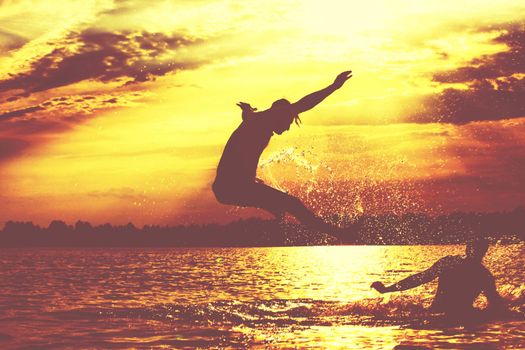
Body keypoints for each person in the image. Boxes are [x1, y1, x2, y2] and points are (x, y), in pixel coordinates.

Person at [212, 71, 353, 239]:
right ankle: (341, 235)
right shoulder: (265, 120)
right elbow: (305, 103)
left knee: (282, 202)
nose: (288, 127)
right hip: (233, 187)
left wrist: (247, 109)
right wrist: (333, 87)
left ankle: (276, 213)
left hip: (228, 188)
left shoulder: (258, 120)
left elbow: (248, 115)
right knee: (293, 204)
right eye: (289, 121)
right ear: (281, 114)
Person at [371, 237, 507, 320]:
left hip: (465, 316)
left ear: (484, 252)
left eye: (479, 251)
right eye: (473, 249)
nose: (475, 253)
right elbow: (421, 278)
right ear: (467, 249)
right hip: (436, 313)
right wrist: (388, 289)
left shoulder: (484, 276)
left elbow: (495, 305)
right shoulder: (449, 263)